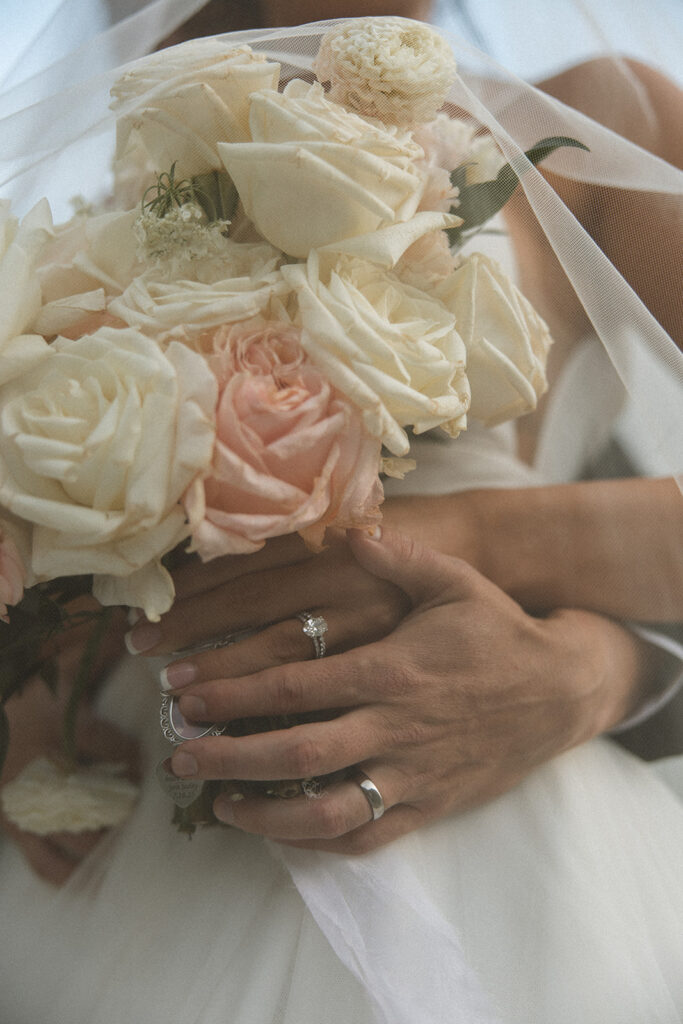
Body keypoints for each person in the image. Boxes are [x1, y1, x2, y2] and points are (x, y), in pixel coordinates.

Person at [0, 5, 682, 1024]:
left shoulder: (600, 120)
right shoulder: (129, 179)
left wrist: (512, 575)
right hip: (152, 812)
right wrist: (25, 690)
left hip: (487, 806)